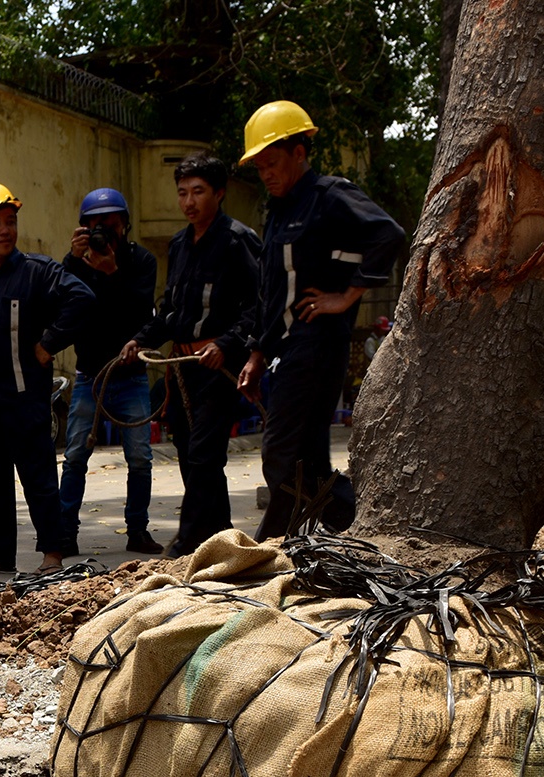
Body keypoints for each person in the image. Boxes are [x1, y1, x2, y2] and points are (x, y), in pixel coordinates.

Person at [237, 101, 405, 539]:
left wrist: (346, 296)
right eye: (259, 168)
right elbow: (272, 293)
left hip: (317, 347)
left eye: (272, 163)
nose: (266, 174)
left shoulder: (330, 196)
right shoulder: (277, 211)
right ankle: (363, 531)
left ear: (299, 152)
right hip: (289, 349)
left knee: (279, 455)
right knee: (308, 463)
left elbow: (389, 234)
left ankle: (271, 546)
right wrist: (257, 353)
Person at [0, 182, 92, 576]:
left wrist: (49, 343)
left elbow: (81, 299)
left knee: (38, 478)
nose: (5, 230)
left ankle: (53, 554)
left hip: (26, 398)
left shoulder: (37, 272)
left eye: (10, 221)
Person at [128, 152, 260, 557]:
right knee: (189, 453)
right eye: (182, 192)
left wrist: (227, 345)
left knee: (204, 453)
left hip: (218, 369)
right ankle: (220, 536)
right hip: (182, 370)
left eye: (198, 191)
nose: (188, 201)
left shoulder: (239, 240)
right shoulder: (180, 244)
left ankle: (186, 540)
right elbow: (171, 309)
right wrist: (141, 339)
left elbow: (259, 305)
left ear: (218, 194)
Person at [57, 186, 161, 556]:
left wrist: (112, 272)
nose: (104, 232)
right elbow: (62, 305)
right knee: (74, 457)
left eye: (110, 224)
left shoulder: (141, 262)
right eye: (95, 225)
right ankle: (64, 534)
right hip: (89, 375)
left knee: (139, 457)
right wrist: (73, 261)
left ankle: (138, 530)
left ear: (125, 225)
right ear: (83, 229)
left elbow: (139, 312)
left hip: (130, 374)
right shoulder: (75, 266)